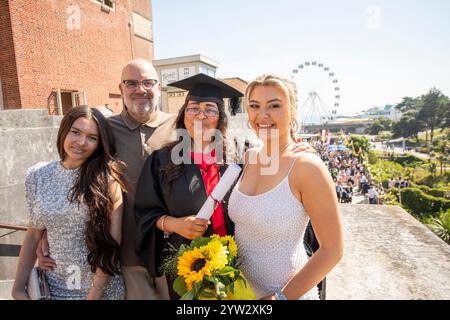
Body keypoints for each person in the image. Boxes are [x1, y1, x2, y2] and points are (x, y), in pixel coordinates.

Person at [35, 59, 177, 300]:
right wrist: (48, 230)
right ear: (120, 89)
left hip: (174, 249)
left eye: (147, 83)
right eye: (131, 83)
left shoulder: (179, 126)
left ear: (159, 87)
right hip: (126, 254)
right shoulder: (104, 130)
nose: (140, 89)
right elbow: (75, 173)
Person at [227, 74, 344, 300]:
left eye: (274, 106)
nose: (263, 115)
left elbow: (333, 250)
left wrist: (279, 297)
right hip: (243, 296)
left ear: (293, 111)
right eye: (254, 106)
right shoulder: (249, 157)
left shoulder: (307, 167)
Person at [134, 73, 243, 299]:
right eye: (193, 108)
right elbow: (144, 212)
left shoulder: (239, 155)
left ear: (220, 117)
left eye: (210, 109)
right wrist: (174, 224)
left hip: (241, 264)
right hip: (189, 267)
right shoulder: (162, 160)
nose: (200, 115)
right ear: (184, 114)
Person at [12, 106, 126, 300]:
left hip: (100, 290)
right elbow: (33, 233)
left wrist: (94, 295)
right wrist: (18, 289)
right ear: (64, 130)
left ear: (99, 144)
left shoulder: (107, 180)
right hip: (52, 287)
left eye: (92, 137)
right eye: (75, 132)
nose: (81, 142)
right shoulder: (37, 175)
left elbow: (112, 245)